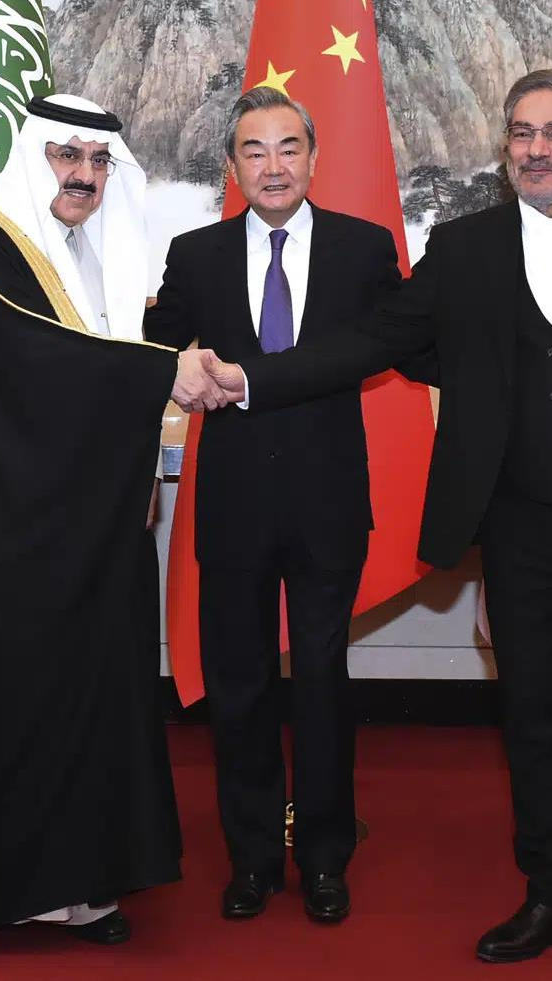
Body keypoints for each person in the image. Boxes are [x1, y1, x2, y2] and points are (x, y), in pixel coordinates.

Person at [181, 69, 552, 975]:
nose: (539, 149)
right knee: (535, 717)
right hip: (518, 526)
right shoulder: (465, 247)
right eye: (522, 134)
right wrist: (252, 378)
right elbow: (372, 342)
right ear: (505, 151)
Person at [0, 93, 188, 975]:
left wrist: (135, 467)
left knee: (91, 700)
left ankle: (76, 885)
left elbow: (94, 379)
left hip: (88, 530)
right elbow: (39, 363)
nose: (86, 178)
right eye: (69, 157)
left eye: (101, 163)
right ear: (33, 156)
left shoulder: (96, 257)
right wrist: (169, 371)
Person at [144, 87, 421, 924]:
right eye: (255, 151)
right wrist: (177, 363)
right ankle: (253, 858)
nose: (273, 165)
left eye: (289, 147)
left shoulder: (363, 248)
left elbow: (382, 344)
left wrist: (254, 380)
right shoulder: (194, 254)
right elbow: (157, 342)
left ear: (314, 157)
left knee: (323, 684)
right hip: (231, 505)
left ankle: (327, 857)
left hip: (329, 499)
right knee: (240, 687)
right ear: (232, 167)